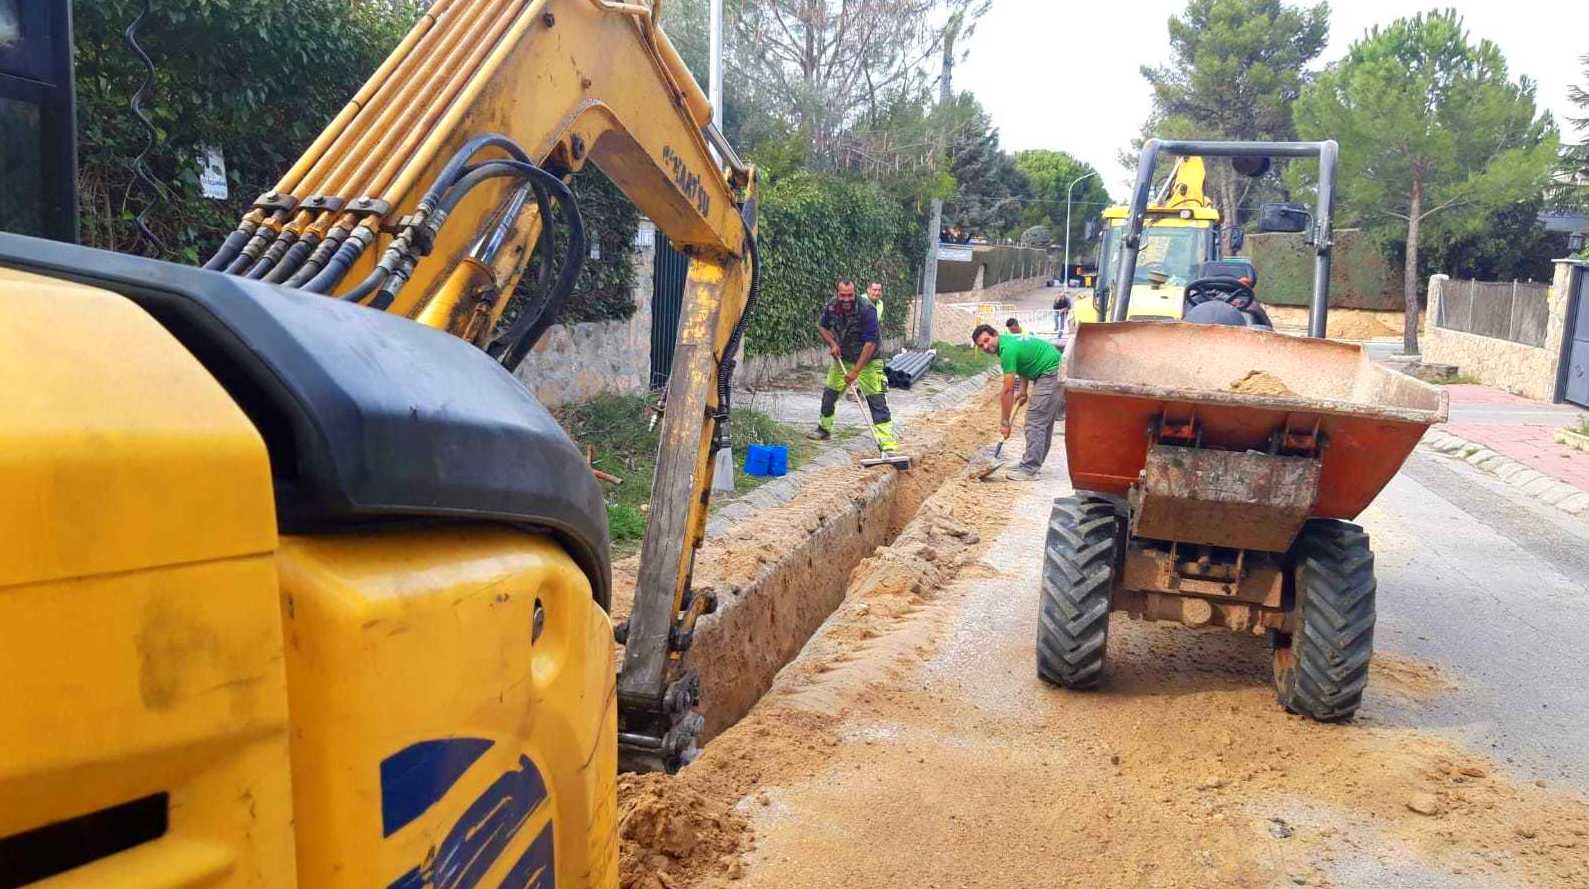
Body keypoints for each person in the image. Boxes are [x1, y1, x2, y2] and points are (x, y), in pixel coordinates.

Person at [809, 279, 897, 450]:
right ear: (837, 294)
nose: (846, 299)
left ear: (855, 293)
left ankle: (886, 444)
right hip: (845, 358)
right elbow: (822, 327)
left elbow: (870, 343)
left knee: (876, 400)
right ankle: (824, 429)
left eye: (850, 295)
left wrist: (855, 372)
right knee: (829, 395)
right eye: (843, 295)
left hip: (869, 361)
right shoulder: (832, 306)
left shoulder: (867, 309)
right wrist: (833, 344)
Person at [972, 322, 1062, 481]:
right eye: (981, 345)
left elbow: (1006, 392)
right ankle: (1033, 463)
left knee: (1035, 421)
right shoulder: (1007, 342)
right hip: (1051, 368)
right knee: (1042, 421)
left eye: (987, 340)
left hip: (1050, 371)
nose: (985, 346)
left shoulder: (1007, 351)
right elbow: (1024, 363)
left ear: (994, 334)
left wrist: (1005, 423)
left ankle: (1029, 468)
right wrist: (1023, 389)